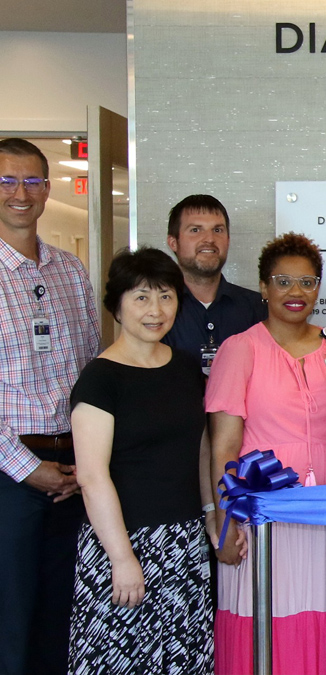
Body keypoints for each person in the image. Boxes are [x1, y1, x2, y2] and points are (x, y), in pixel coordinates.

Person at [207, 233, 326, 674]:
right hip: (262, 509)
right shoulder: (240, 349)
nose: (296, 293)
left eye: (307, 282)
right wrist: (223, 520)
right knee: (268, 613)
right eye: (283, 281)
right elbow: (223, 446)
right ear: (263, 287)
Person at [68, 247, 213, 674]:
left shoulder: (187, 369)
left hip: (183, 543)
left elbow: (202, 448)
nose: (156, 310)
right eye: (142, 297)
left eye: (166, 296)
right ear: (117, 306)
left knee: (184, 659)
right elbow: (93, 477)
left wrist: (209, 514)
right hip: (122, 543)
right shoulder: (100, 378)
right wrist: (121, 557)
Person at [0, 137, 100, 675]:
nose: (21, 193)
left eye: (32, 181)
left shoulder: (69, 271)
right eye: (7, 181)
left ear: (48, 189)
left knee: (62, 619)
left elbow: (89, 371)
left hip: (72, 473)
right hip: (10, 474)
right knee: (10, 621)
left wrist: (84, 463)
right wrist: (26, 468)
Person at [162, 194, 266, 374]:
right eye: (195, 230)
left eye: (217, 230)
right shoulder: (156, 310)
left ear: (228, 240)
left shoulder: (259, 308)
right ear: (173, 242)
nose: (209, 239)